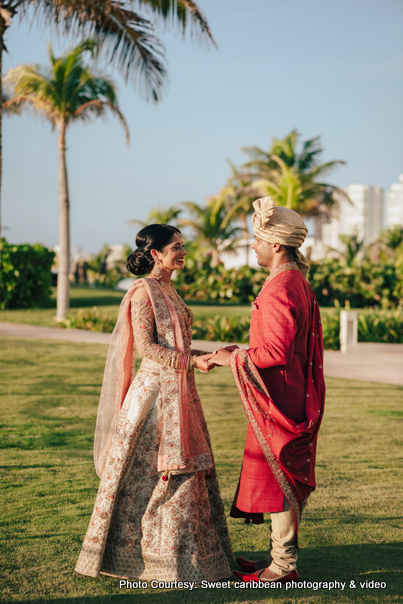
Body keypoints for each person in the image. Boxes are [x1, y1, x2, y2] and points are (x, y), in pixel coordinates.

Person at [75, 224, 233, 582]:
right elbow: (147, 348)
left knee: (185, 473)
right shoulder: (143, 292)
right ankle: (139, 557)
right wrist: (192, 361)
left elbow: (174, 348)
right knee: (149, 477)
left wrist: (213, 355)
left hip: (178, 390)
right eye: (176, 247)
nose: (183, 252)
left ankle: (187, 555)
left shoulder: (169, 288)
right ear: (154, 254)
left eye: (182, 246)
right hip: (154, 399)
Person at [210, 197, 325, 584]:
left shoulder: (281, 286)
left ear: (276, 245)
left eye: (257, 241)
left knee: (281, 479)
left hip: (279, 399)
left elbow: (275, 352)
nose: (254, 247)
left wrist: (233, 358)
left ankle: (282, 567)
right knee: (279, 477)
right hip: (286, 393)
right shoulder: (295, 281)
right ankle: (278, 558)